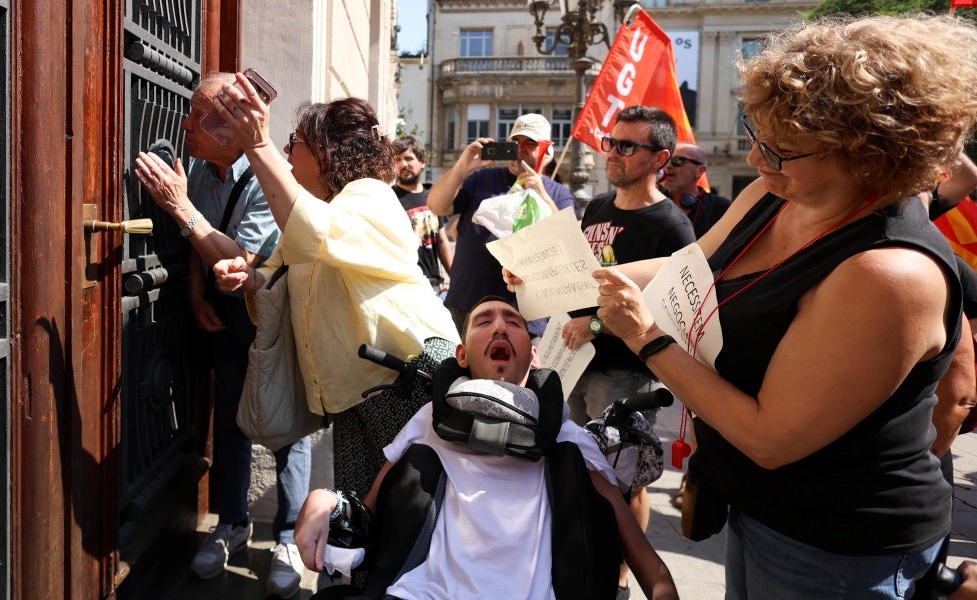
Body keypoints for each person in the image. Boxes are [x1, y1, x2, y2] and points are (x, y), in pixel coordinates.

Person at [517, 15, 977, 598]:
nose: (757, 159)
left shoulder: (888, 274)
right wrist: (559, 279)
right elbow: (686, 269)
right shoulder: (775, 192)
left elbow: (770, 436)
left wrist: (646, 338)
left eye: (782, 149)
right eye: (755, 133)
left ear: (869, 153)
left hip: (838, 545)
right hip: (758, 507)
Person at [293, 297, 678, 600]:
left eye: (513, 322)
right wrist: (322, 501)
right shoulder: (429, 420)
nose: (499, 326)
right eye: (483, 321)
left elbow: (648, 565)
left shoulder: (567, 438)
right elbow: (366, 515)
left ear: (533, 355)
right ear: (461, 356)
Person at [207, 78, 460, 498]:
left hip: (406, 387)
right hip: (362, 394)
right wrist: (249, 278)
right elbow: (280, 277)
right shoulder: (322, 209)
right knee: (370, 527)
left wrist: (257, 145)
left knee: (408, 520)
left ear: (325, 151)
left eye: (295, 141)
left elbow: (310, 231)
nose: (287, 152)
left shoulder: (370, 195)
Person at [132, 73, 311, 597]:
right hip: (224, 316)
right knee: (232, 421)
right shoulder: (201, 168)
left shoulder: (265, 178)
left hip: (273, 317)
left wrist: (179, 208)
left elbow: (238, 260)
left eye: (195, 117)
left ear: (230, 130)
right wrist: (194, 293)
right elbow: (199, 246)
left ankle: (289, 538)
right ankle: (232, 525)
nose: (184, 124)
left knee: (287, 428)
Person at [558, 105, 695, 598]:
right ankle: (585, 554)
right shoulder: (596, 207)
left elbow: (668, 313)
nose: (611, 153)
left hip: (624, 374)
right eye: (610, 142)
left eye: (626, 146)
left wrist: (594, 324)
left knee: (623, 477)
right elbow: (576, 277)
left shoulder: (672, 227)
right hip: (574, 362)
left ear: (660, 157)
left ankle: (619, 577)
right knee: (580, 465)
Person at [427, 113, 575, 336]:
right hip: (466, 308)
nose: (520, 148)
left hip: (523, 318)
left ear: (547, 152)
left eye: (530, 143)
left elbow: (569, 242)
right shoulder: (481, 179)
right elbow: (436, 206)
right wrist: (463, 166)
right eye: (515, 142)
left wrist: (542, 194)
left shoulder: (558, 194)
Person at [392, 136, 453, 295]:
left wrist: (456, 281)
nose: (403, 164)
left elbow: (441, 242)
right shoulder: (389, 198)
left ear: (422, 162)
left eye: (408, 158)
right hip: (404, 286)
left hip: (433, 287)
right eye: (397, 160)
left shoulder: (432, 197)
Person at [660, 142, 732, 238]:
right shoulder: (650, 203)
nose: (668, 166)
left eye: (678, 161)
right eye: (666, 160)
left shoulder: (721, 207)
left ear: (700, 170)